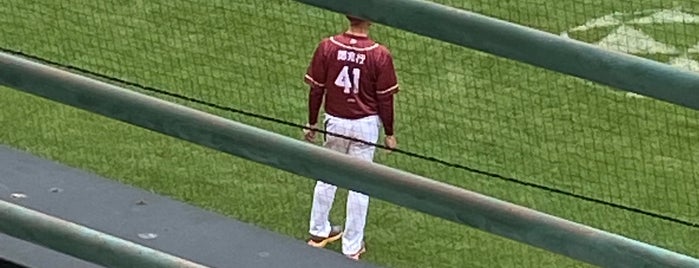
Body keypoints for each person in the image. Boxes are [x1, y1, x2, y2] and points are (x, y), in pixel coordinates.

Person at [302, 14, 399, 260]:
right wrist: (389, 133)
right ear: (370, 20)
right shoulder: (380, 54)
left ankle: (318, 231)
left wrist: (312, 122)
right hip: (365, 126)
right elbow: (385, 100)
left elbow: (317, 89)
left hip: (334, 121)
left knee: (327, 177)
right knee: (359, 185)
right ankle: (351, 247)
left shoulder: (328, 46)